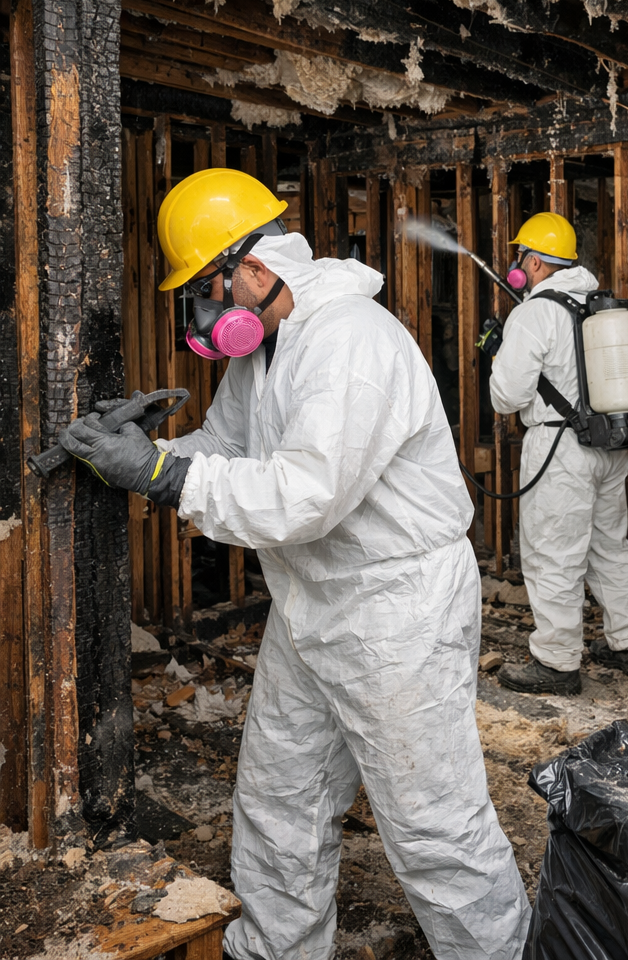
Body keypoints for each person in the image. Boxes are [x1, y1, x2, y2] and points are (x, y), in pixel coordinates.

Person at [59, 168, 529, 960]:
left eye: (207, 288)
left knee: (431, 824)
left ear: (254, 268)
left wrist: (162, 477)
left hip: (395, 607)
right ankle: (274, 949)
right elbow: (228, 450)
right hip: (311, 598)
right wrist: (143, 452)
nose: (204, 313)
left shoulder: (351, 341)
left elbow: (305, 493)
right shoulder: (265, 349)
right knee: (281, 794)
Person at [487, 212, 628, 696]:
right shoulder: (595, 306)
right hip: (606, 441)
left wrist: (499, 353)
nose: (517, 264)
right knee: (609, 546)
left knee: (551, 554)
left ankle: (557, 663)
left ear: (533, 262)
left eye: (521, 256)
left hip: (559, 448)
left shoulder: (535, 312)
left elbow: (506, 397)